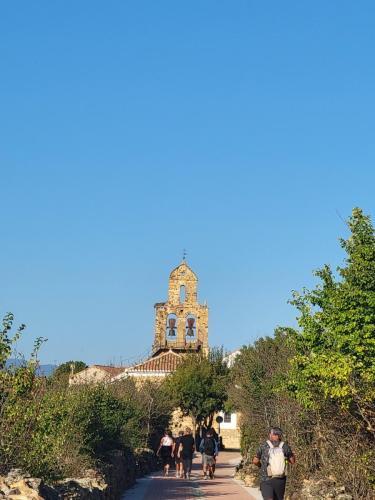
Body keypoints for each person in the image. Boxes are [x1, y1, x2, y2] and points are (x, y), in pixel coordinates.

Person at [253, 427, 295, 500]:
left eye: (271, 433)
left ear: (275, 435)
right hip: (280, 479)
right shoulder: (285, 446)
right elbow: (292, 461)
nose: (270, 435)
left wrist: (260, 465)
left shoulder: (263, 446)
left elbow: (255, 461)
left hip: (266, 478)